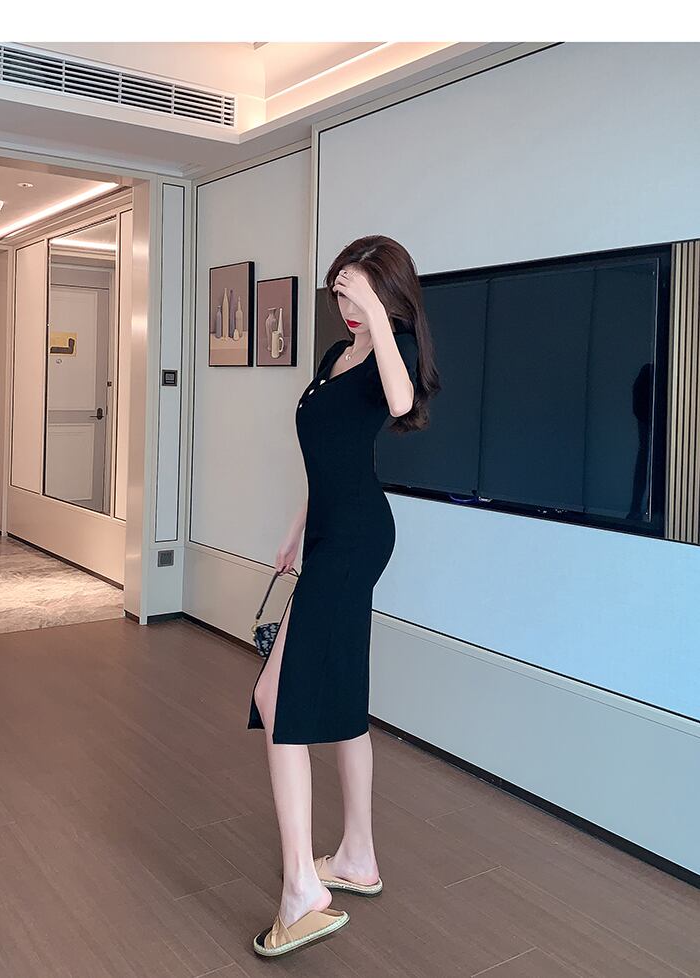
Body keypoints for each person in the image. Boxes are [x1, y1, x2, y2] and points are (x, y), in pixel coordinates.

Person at [247, 235, 440, 957]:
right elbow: (328, 455)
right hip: (329, 529)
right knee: (343, 699)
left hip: (358, 536)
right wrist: (296, 527)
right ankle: (356, 855)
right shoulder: (335, 357)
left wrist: (379, 319)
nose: (346, 307)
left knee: (277, 697)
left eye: (354, 293)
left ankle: (303, 888)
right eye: (339, 295)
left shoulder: (393, 354)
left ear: (386, 293)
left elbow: (400, 400)